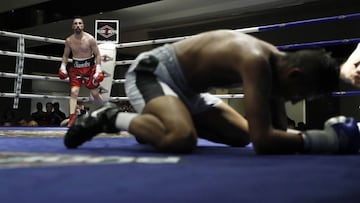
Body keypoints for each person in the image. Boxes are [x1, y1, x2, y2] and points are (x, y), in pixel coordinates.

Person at [64, 30, 360, 154]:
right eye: (301, 94)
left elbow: (272, 132)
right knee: (181, 138)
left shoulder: (277, 66)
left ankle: (156, 124)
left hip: (188, 91)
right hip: (153, 73)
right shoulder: (256, 61)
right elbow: (265, 141)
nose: (295, 100)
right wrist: (329, 140)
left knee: (239, 135)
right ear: (294, 74)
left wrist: (297, 139)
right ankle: (111, 117)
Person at [58, 16, 104, 127]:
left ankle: (104, 112)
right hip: (76, 68)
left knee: (95, 93)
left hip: (89, 68)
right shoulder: (69, 40)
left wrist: (98, 70)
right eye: (75, 23)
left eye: (80, 23)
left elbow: (97, 54)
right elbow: (65, 55)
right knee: (74, 92)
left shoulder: (90, 39)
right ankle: (72, 118)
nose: (78, 25)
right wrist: (62, 67)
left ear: (83, 25)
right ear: (73, 26)